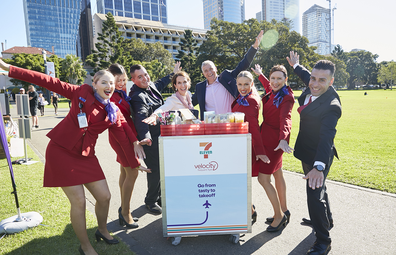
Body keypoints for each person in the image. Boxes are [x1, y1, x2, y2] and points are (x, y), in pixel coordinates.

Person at [0, 59, 149, 255]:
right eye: (104, 82)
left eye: (112, 83)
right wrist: (8, 68)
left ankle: (102, 230)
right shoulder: (81, 92)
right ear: (94, 83)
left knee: (104, 197)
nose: (109, 86)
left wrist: (134, 161)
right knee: (78, 201)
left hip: (86, 155)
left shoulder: (112, 111)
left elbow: (124, 136)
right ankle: (85, 247)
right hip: (61, 151)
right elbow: (46, 81)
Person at [287, 51, 341, 255]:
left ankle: (323, 241)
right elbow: (307, 76)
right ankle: (326, 219)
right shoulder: (313, 82)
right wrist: (296, 66)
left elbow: (327, 137)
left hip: (320, 154)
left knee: (313, 196)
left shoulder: (332, 106)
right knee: (320, 192)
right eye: (313, 78)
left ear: (331, 81)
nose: (315, 84)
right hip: (306, 151)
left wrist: (319, 167)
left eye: (322, 80)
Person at [129, 62, 182, 214]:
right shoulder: (138, 97)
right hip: (150, 140)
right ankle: (150, 201)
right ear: (133, 80)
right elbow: (140, 117)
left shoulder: (150, 86)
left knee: (161, 169)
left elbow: (160, 83)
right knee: (155, 171)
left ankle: (158, 197)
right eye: (140, 77)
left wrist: (173, 74)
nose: (145, 78)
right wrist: (145, 137)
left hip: (160, 136)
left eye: (145, 74)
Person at [251, 64, 294, 232]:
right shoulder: (275, 90)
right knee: (277, 173)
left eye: (279, 79)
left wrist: (284, 139)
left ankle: (279, 216)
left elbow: (286, 119)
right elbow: (269, 84)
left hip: (275, 143)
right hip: (266, 136)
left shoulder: (286, 97)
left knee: (263, 179)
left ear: (286, 80)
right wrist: (261, 74)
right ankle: (285, 210)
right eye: (273, 78)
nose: (275, 82)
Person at [107, 63, 148, 229]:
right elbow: (119, 122)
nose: (122, 83)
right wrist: (133, 141)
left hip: (127, 134)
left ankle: (124, 208)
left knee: (125, 172)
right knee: (132, 173)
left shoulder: (120, 92)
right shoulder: (110, 96)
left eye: (124, 80)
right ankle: (126, 213)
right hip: (121, 137)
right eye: (118, 80)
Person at [192, 30, 264, 120]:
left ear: (216, 69)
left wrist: (254, 47)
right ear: (203, 74)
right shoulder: (200, 87)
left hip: (231, 122)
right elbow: (189, 102)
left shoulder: (226, 77)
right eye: (206, 71)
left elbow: (242, 66)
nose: (209, 72)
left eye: (211, 69)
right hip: (211, 126)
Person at [231, 71, 268, 225]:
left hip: (246, 146)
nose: (243, 87)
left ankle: (249, 212)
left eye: (246, 84)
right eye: (240, 84)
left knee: (241, 181)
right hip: (238, 144)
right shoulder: (242, 98)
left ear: (252, 84)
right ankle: (248, 209)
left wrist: (260, 152)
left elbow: (254, 127)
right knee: (238, 181)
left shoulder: (251, 101)